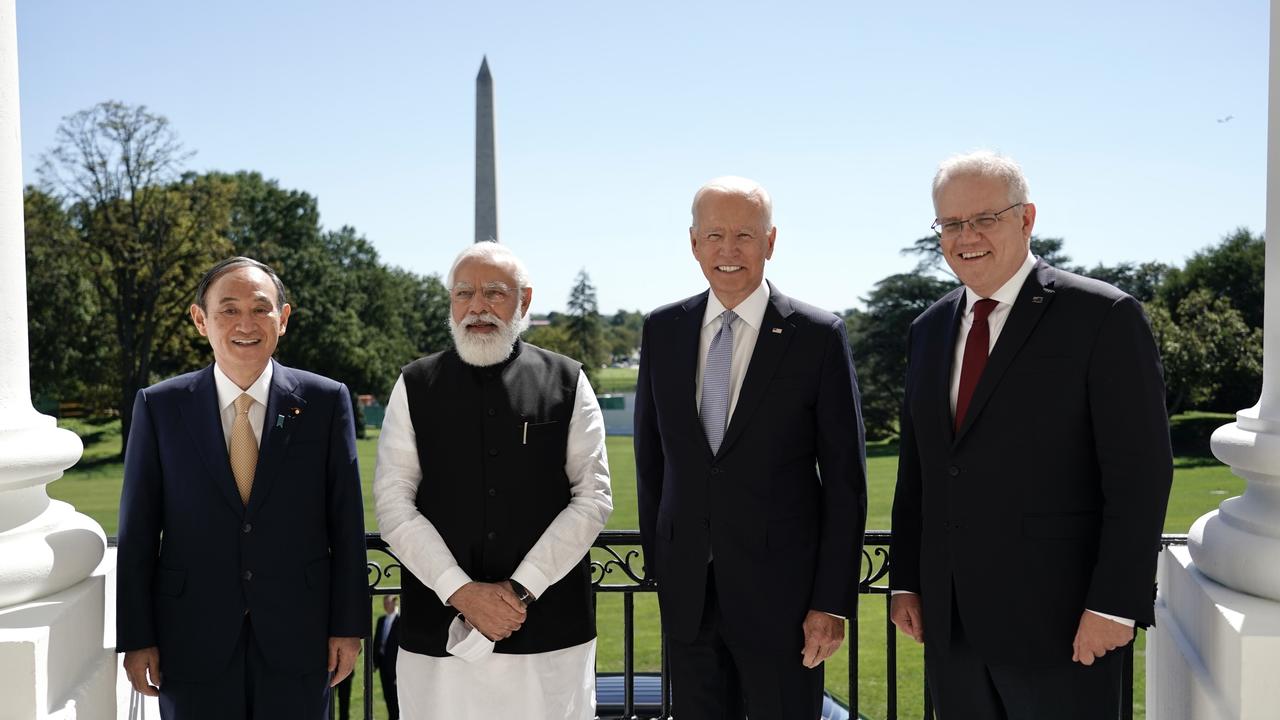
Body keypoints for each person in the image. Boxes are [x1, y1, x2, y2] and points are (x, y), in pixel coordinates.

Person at [889, 151, 1174, 719]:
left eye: (985, 219)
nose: (966, 236)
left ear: (1027, 218)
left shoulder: (1102, 316)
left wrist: (1115, 607)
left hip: (1066, 629)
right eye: (950, 224)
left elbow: (1140, 473)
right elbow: (920, 468)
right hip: (953, 630)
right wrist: (906, 582)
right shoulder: (928, 329)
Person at [634, 176, 867, 718]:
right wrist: (661, 564)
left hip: (784, 608)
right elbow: (651, 462)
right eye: (714, 235)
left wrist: (830, 602)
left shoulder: (817, 336)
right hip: (689, 599)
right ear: (693, 243)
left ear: (771, 241)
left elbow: (846, 483)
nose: (728, 250)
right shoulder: (662, 330)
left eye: (744, 234)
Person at [116, 257, 369, 719]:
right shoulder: (159, 406)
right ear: (200, 320)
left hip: (300, 637)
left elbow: (347, 524)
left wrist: (348, 627)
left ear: (283, 318)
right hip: (189, 640)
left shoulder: (326, 401)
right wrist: (137, 638)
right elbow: (137, 532)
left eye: (260, 308)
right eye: (228, 310)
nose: (245, 324)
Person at [374, 242, 613, 719]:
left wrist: (519, 591)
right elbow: (394, 502)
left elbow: (593, 498)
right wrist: (460, 592)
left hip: (549, 631)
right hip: (438, 634)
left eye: (494, 293)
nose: (477, 306)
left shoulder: (567, 381)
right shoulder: (415, 385)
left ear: (524, 301)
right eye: (463, 293)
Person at [374, 595, 401, 720]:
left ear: (394, 602)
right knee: (388, 698)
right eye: (384, 602)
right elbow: (376, 643)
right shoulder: (381, 620)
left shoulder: (400, 620)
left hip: (395, 668)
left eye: (388, 602)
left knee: (397, 701)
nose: (385, 605)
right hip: (383, 666)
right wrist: (374, 663)